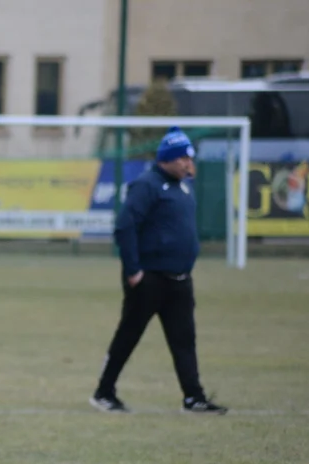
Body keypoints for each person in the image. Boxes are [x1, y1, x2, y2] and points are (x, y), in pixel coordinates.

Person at [89, 127, 228, 415]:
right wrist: (134, 270)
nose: (189, 165)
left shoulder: (185, 186)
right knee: (128, 336)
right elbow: (125, 226)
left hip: (180, 281)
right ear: (169, 158)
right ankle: (104, 392)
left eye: (191, 159)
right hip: (150, 279)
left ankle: (194, 398)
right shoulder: (148, 185)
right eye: (184, 159)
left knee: (184, 340)